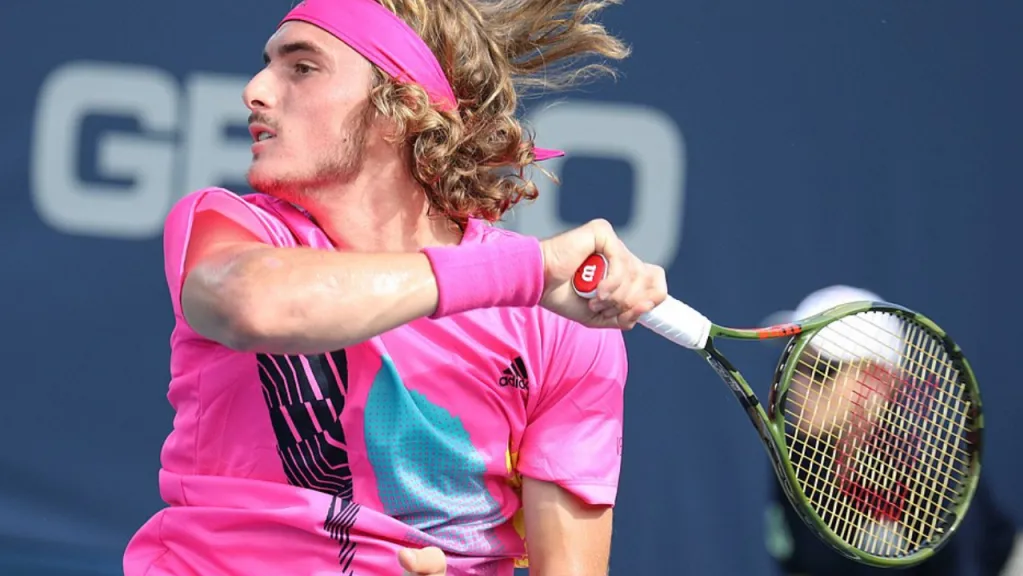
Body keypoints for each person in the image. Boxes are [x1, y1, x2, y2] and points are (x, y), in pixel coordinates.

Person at [122, 0, 664, 575]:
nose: (255, 90)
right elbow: (252, 305)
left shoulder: (561, 326)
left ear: (402, 108)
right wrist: (528, 273)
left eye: (302, 68)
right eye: (268, 64)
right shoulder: (230, 227)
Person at [763, 285, 1017, 576]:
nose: (796, 386)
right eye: (792, 364)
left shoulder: (931, 465)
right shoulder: (793, 455)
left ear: (878, 382)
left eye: (823, 371)